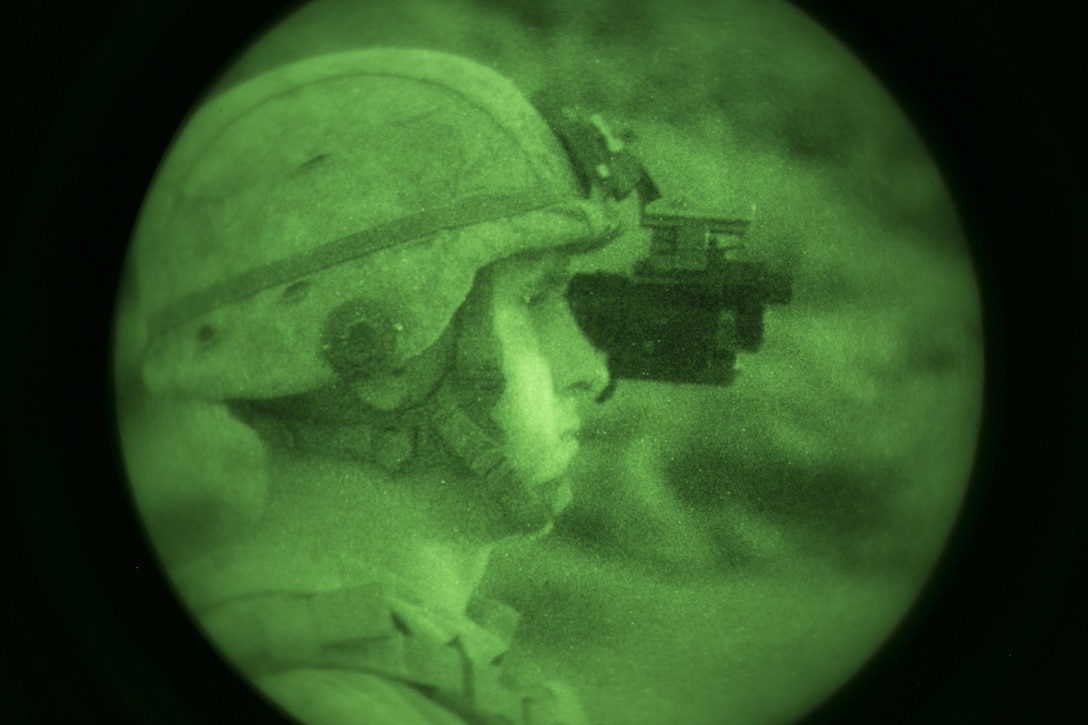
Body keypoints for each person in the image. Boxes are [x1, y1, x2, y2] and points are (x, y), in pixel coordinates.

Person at [119, 47, 649, 724]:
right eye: (536, 300)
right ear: (389, 363)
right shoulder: (327, 703)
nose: (591, 370)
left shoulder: (397, 661)